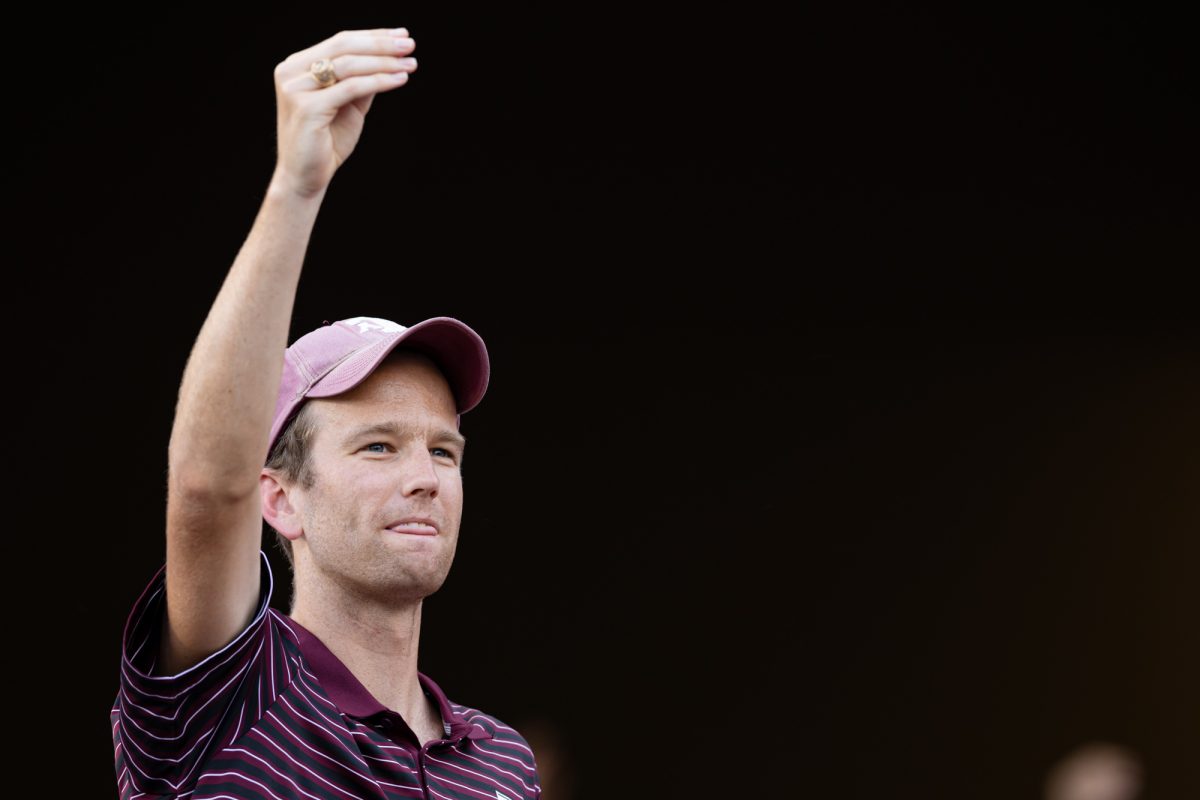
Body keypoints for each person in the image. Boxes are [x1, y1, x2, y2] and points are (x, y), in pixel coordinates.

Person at [110, 27, 542, 800]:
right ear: (279, 498)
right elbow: (210, 485)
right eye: (378, 446)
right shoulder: (234, 694)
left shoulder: (503, 762)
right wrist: (297, 186)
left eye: (445, 452)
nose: (425, 478)